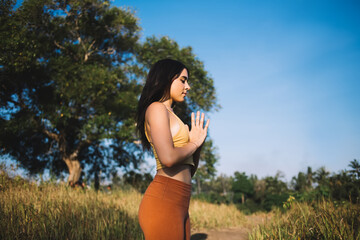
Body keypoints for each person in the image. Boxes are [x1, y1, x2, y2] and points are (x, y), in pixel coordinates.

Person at [136, 59, 210, 240]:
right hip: (164, 200)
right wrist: (193, 143)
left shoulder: (173, 116)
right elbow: (168, 158)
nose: (188, 86)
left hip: (181, 201)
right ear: (166, 79)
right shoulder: (156, 109)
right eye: (183, 80)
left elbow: (189, 170)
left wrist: (197, 144)